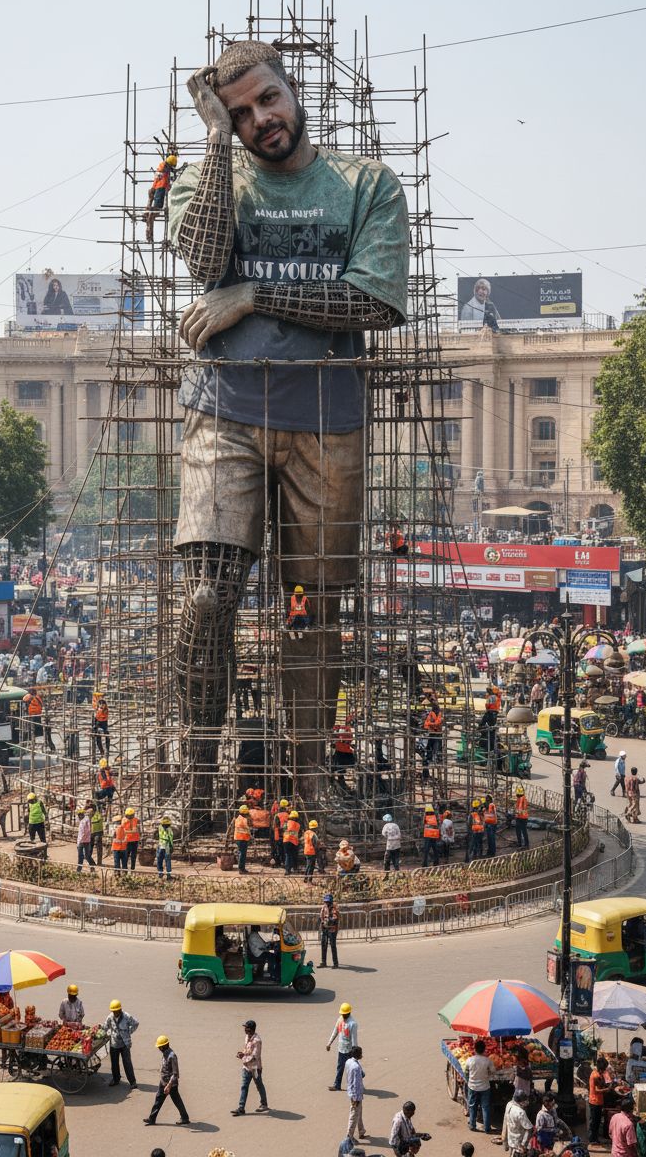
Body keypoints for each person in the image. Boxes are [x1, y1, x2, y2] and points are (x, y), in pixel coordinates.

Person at [168, 40, 409, 796]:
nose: (259, 119)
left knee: (312, 613)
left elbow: (374, 302)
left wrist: (255, 296)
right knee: (205, 598)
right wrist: (214, 141)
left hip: (327, 424)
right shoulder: (206, 178)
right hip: (224, 414)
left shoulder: (367, 186)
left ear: (291, 88)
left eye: (267, 98)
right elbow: (204, 263)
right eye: (239, 113)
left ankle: (309, 777)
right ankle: (198, 778)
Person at [144, 1035, 189, 1126]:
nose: (159, 1049)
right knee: (158, 1100)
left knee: (176, 1100)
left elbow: (175, 1074)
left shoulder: (172, 1056)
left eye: (160, 1047)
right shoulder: (165, 1053)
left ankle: (185, 1118)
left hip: (171, 1084)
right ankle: (152, 1119)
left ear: (164, 1046)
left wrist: (168, 1086)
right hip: (163, 1081)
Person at [232, 1018, 268, 1116]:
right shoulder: (247, 1037)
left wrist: (243, 1057)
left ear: (251, 1029)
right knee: (244, 1087)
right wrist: (242, 1053)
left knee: (259, 1085)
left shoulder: (257, 1041)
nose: (245, 1029)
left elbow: (255, 1057)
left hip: (255, 1068)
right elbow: (247, 1050)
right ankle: (241, 1108)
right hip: (246, 1067)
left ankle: (264, 1104)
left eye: (246, 1028)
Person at [104, 999, 139, 1088]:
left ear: (120, 1009)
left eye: (117, 1011)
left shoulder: (127, 1016)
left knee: (127, 1063)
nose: (115, 1013)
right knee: (114, 1063)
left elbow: (136, 1023)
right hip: (114, 1044)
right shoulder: (110, 1017)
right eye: (114, 1011)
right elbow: (105, 1027)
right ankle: (116, 1079)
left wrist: (128, 1032)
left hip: (125, 1044)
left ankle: (132, 1082)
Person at [466, 1038, 495, 1134]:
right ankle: (487, 1128)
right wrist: (487, 1073)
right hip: (485, 1087)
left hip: (473, 1087)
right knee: (485, 1107)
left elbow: (466, 1071)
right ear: (484, 1049)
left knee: (472, 1106)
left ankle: (472, 1125)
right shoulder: (488, 1061)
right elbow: (493, 1071)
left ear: (475, 1049)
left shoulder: (470, 1060)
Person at [327, 1002, 358, 1092]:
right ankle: (337, 1085)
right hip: (341, 1049)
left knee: (352, 1069)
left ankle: (356, 1082)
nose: (343, 1016)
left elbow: (354, 1039)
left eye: (345, 1014)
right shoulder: (340, 1020)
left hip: (350, 1051)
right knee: (340, 1068)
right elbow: (335, 1031)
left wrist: (355, 1053)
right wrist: (329, 1043)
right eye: (342, 1014)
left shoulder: (352, 1024)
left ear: (349, 1013)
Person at [588, 1055, 613, 1146]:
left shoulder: (600, 1073)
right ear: (600, 1069)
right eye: (604, 1069)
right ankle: (592, 1139)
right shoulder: (595, 1076)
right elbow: (596, 1090)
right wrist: (607, 1089)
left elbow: (607, 1079)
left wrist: (610, 1081)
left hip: (599, 1101)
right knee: (594, 1122)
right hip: (594, 1102)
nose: (605, 1070)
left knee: (597, 1121)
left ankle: (596, 1138)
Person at [345, 1045, 367, 1143]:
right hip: (356, 1095)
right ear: (357, 1054)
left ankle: (361, 1131)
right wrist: (356, 1099)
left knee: (359, 1113)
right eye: (360, 1053)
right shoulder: (356, 1067)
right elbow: (356, 1084)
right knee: (354, 1116)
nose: (362, 1054)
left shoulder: (349, 1061)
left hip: (351, 1092)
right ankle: (349, 1136)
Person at [504, 1090, 533, 1156]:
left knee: (512, 1153)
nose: (526, 1101)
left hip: (511, 1138)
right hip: (519, 1141)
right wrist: (523, 1145)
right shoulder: (520, 1112)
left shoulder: (509, 1104)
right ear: (521, 1101)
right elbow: (529, 1129)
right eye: (525, 1100)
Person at [234, 805, 252, 874]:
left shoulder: (238, 818)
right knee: (242, 854)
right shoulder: (244, 820)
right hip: (243, 838)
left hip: (238, 838)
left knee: (241, 854)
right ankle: (241, 869)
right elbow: (248, 828)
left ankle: (242, 868)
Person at [283, 810, 301, 874]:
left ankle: (287, 870)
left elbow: (284, 830)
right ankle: (295, 869)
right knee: (294, 856)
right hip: (294, 842)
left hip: (286, 841)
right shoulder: (298, 825)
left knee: (288, 855)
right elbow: (299, 833)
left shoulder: (286, 823)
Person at [89, 801, 105, 866]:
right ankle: (90, 860)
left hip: (98, 832)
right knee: (90, 847)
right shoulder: (90, 814)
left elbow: (96, 820)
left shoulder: (98, 814)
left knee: (98, 847)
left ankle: (99, 862)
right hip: (92, 832)